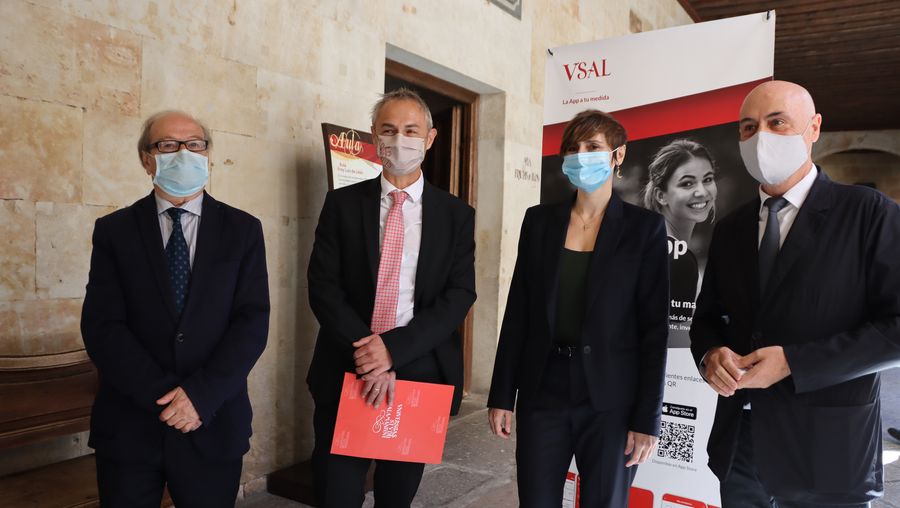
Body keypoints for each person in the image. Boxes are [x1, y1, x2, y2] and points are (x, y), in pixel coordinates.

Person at [690, 80, 900, 507]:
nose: (760, 137)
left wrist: (794, 363)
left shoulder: (868, 213)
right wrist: (710, 354)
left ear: (814, 127)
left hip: (828, 451)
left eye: (777, 122)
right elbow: (708, 318)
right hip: (741, 447)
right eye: (749, 127)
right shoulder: (730, 228)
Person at [81, 110, 270, 507]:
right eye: (168, 145)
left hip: (213, 420)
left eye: (195, 144)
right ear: (146, 160)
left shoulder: (243, 230)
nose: (184, 153)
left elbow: (251, 324)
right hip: (131, 427)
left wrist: (199, 397)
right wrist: (168, 399)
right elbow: (103, 326)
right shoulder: (114, 231)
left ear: (208, 155)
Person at [487, 109, 669, 507]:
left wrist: (647, 419)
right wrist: (501, 394)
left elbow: (654, 331)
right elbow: (519, 311)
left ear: (618, 155)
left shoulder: (644, 229)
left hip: (611, 400)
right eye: (572, 148)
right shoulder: (539, 222)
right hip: (543, 391)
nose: (581, 155)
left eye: (592, 146)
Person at [306, 88, 476, 507]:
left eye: (411, 130)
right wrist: (369, 352)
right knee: (336, 493)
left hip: (418, 369)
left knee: (397, 496)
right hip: (346, 363)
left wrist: (393, 350)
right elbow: (323, 286)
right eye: (389, 129)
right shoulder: (342, 204)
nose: (400, 140)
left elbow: (459, 295)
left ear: (430, 138)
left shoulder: (456, 215)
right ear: (374, 136)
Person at [642, 139, 719, 345]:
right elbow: (676, 345)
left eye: (708, 179)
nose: (702, 191)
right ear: (661, 196)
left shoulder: (646, 244)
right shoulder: (677, 258)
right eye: (687, 183)